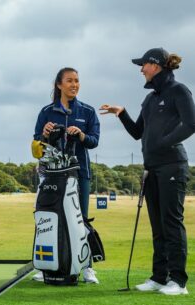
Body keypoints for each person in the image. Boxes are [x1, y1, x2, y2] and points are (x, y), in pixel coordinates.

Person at [100, 48, 195, 295]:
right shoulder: (151, 99)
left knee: (172, 223)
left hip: (173, 165)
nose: (141, 69)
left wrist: (165, 141)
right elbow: (137, 133)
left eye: (143, 65)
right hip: (151, 169)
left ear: (155, 65)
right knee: (158, 226)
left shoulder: (179, 91)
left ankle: (178, 281)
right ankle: (159, 277)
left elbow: (191, 123)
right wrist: (121, 114)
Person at [33, 67, 100, 283]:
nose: (74, 85)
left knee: (81, 220)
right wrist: (43, 135)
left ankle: (87, 267)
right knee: (48, 218)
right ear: (59, 84)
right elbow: (36, 144)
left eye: (77, 81)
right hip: (50, 175)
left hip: (79, 174)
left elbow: (94, 141)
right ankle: (46, 264)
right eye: (69, 81)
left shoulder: (88, 111)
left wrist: (80, 135)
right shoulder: (46, 112)